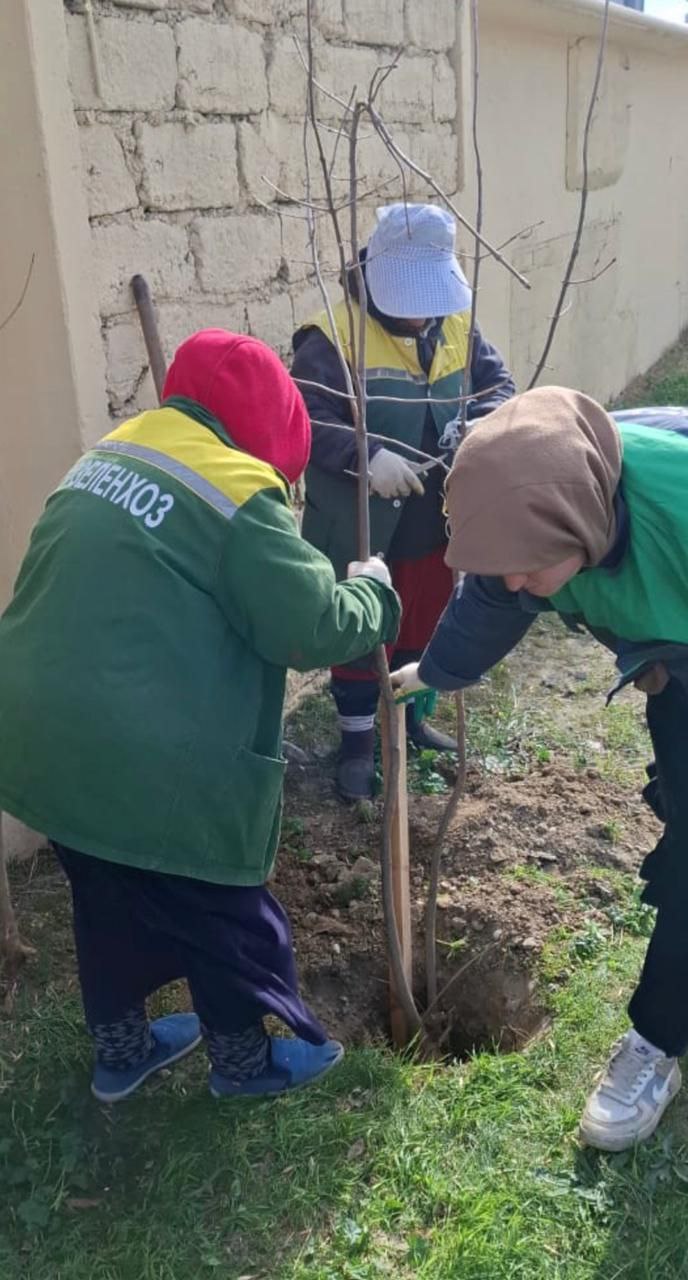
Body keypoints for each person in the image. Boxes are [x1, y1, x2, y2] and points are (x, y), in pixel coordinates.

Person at [0, 329, 400, 1103]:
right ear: (274, 435)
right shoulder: (240, 492)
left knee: (105, 889)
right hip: (139, 755)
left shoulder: (112, 452)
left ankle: (122, 1051)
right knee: (223, 911)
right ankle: (243, 1065)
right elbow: (310, 627)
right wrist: (374, 589)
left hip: (35, 736)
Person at [392, 387, 688, 1152]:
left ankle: (654, 1040)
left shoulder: (678, 508)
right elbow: (492, 600)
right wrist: (436, 671)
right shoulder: (534, 509)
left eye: (529, 568)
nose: (517, 583)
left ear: (581, 521)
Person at [291, 202, 515, 801]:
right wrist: (364, 456)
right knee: (362, 629)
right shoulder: (331, 336)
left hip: (436, 518)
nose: (421, 318)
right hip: (362, 523)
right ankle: (358, 744)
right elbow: (305, 417)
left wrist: (480, 427)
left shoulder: (457, 326)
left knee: (426, 619)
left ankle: (412, 721)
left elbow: (499, 387)